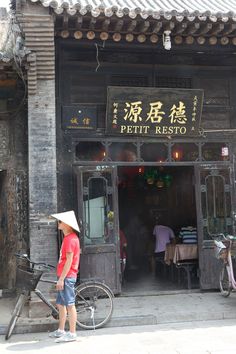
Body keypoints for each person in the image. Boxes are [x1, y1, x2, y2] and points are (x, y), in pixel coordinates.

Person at [49, 210, 80, 343]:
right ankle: (61, 329)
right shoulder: (70, 238)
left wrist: (61, 278)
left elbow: (69, 260)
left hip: (67, 277)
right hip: (64, 275)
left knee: (69, 304)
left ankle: (72, 333)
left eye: (60, 221)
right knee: (61, 304)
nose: (59, 223)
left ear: (67, 225)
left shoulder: (70, 239)